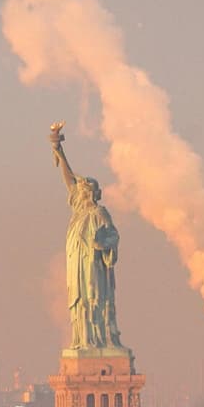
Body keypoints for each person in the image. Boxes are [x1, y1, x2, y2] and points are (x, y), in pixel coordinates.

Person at [50, 123, 125, 352]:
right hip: (76, 267)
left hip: (92, 267)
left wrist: (101, 243)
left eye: (83, 189)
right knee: (78, 302)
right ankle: (82, 340)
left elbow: (113, 235)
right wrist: (58, 147)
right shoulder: (78, 212)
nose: (78, 191)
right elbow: (68, 179)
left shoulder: (99, 213)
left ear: (90, 193)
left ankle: (97, 340)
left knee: (93, 300)